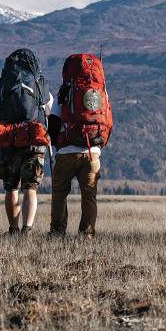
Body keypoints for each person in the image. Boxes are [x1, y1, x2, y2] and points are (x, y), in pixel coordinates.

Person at [0, 48, 53, 236]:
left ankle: (13, 230)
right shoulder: (40, 83)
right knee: (30, 187)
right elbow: (49, 112)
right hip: (33, 140)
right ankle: (27, 230)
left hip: (9, 142)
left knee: (11, 188)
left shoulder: (1, 84)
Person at [48, 53, 113, 237]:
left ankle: (57, 232)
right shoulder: (102, 92)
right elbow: (108, 122)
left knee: (60, 193)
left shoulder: (66, 89)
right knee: (89, 195)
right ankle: (87, 235)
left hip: (67, 151)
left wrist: (56, 146)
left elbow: (53, 123)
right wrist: (98, 146)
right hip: (93, 151)